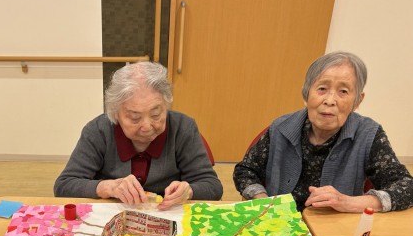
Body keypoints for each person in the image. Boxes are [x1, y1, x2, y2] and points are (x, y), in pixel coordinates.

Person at [233, 51, 413, 213]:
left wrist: (348, 202)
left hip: (334, 231)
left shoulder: (368, 135)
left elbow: (407, 187)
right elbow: (245, 171)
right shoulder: (281, 128)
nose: (330, 100)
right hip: (278, 227)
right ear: (306, 94)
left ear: (357, 101)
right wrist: (263, 201)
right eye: (322, 89)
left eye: (343, 91)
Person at [54, 62, 223, 210]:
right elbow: (64, 185)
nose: (147, 127)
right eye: (135, 118)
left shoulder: (183, 128)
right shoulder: (98, 131)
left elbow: (212, 186)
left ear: (166, 105)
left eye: (156, 114)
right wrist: (108, 187)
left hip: (168, 218)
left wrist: (189, 190)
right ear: (115, 113)